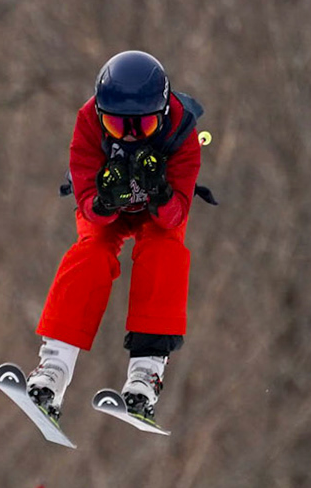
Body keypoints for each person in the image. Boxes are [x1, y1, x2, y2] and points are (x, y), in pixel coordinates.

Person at [26, 50, 206, 424]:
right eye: (117, 126)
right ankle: (53, 367)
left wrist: (160, 193)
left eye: (142, 128)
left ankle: (146, 370)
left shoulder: (183, 131)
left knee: (164, 252)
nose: (129, 136)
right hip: (109, 208)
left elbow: (176, 215)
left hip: (158, 211)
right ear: (100, 116)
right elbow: (87, 205)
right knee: (90, 253)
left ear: (162, 115)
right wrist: (106, 200)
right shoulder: (87, 121)